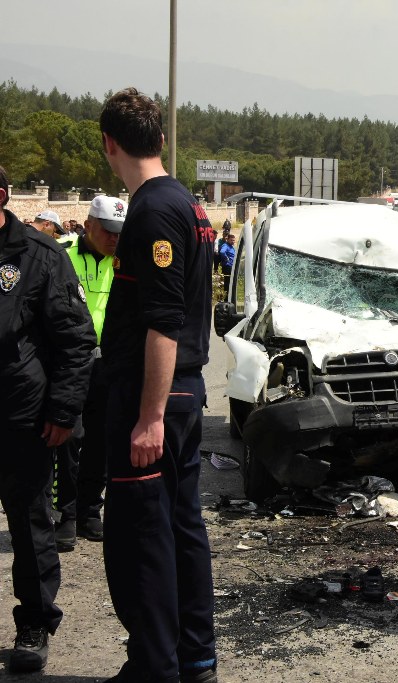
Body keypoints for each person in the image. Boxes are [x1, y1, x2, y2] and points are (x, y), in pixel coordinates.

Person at [99, 87, 218, 682]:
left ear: (109, 144)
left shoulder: (152, 210)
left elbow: (163, 323)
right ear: (162, 139)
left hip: (157, 399)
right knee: (178, 527)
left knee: (141, 540)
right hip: (180, 394)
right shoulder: (186, 202)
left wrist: (147, 417)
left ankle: (156, 666)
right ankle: (192, 660)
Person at [0, 164, 96, 672]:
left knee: (30, 525)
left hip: (21, 419)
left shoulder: (38, 257)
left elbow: (76, 342)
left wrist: (62, 411)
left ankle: (35, 622)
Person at [53, 195, 126, 552]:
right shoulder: (61, 253)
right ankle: (64, 514)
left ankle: (89, 510)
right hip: (68, 362)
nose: (114, 240)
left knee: (101, 440)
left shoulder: (125, 260)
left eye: (119, 233)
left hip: (107, 365)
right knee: (68, 438)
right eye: (109, 232)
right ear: (90, 225)